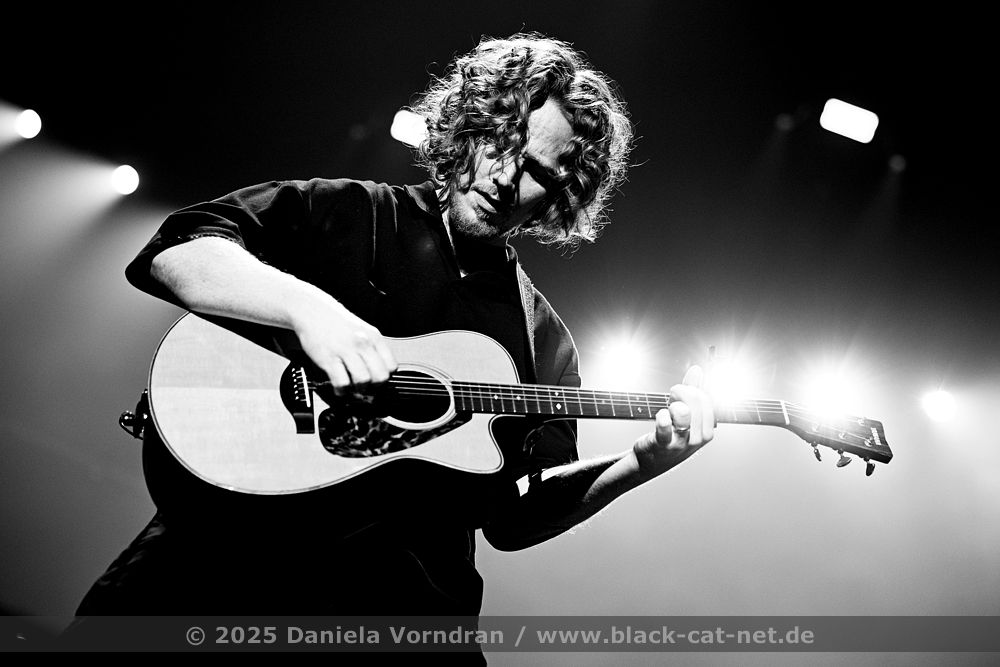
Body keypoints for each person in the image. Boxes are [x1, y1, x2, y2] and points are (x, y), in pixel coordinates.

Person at [69, 32, 714, 649]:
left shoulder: (542, 340)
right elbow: (178, 250)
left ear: (559, 197)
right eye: (500, 144)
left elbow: (515, 518)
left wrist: (640, 463)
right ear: (471, 124)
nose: (504, 179)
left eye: (536, 172)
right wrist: (309, 310)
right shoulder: (353, 211)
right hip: (215, 570)